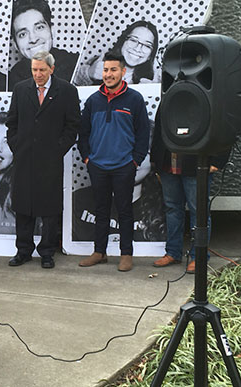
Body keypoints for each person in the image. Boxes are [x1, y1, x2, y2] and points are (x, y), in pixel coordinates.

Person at [6, 50, 80, 269]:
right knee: (23, 205)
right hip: (24, 158)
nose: (38, 74)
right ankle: (23, 250)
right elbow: (12, 122)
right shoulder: (21, 90)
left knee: (49, 207)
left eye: (42, 70)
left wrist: (58, 150)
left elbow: (73, 125)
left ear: (52, 69)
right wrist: (16, 145)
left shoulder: (66, 91)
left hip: (50, 160)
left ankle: (47, 252)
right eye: (34, 70)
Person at [77, 52, 150, 272]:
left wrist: (135, 162)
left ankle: (126, 254)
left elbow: (143, 134)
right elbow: (84, 133)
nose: (108, 74)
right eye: (106, 70)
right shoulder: (93, 101)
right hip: (98, 166)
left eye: (113, 70)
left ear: (123, 71)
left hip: (123, 167)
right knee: (100, 210)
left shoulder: (134, 99)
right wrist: (88, 159)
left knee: (125, 211)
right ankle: (99, 252)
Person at [151, 108, 229, 273]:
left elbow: (224, 126)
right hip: (168, 164)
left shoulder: (206, 93)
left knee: (199, 211)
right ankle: (172, 252)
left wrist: (219, 160)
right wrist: (155, 162)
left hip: (196, 165)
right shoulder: (168, 94)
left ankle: (198, 257)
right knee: (172, 209)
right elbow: (158, 130)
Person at [8, 0, 78, 90]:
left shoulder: (75, 63)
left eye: (39, 27)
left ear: (51, 30)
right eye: (23, 34)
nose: (33, 39)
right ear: (15, 44)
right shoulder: (13, 78)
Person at [73, 20, 160, 86]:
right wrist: (88, 73)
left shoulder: (151, 81)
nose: (138, 48)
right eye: (133, 40)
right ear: (122, 42)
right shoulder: (97, 63)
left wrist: (151, 92)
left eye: (147, 46)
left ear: (150, 55)